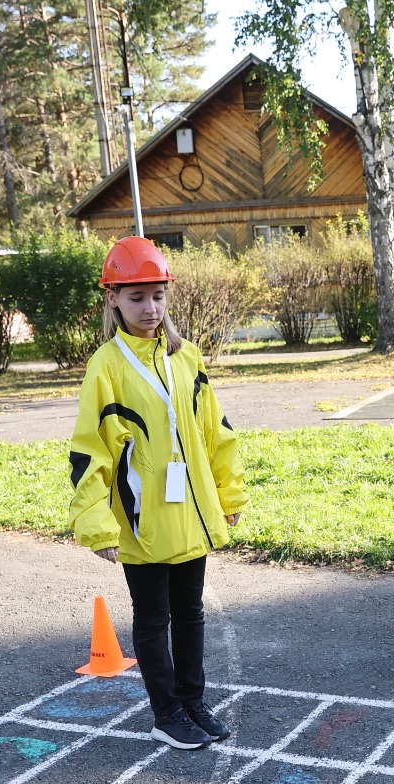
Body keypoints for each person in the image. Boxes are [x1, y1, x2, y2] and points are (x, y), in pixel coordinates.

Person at [68, 236, 248, 749]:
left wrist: (229, 494)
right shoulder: (107, 366)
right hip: (142, 518)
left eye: (158, 296)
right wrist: (97, 525)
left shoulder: (185, 356)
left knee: (191, 613)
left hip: (191, 512)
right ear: (112, 299)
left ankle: (193, 702)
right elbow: (90, 450)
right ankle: (166, 714)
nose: (150, 308)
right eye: (137, 297)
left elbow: (217, 431)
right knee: (153, 618)